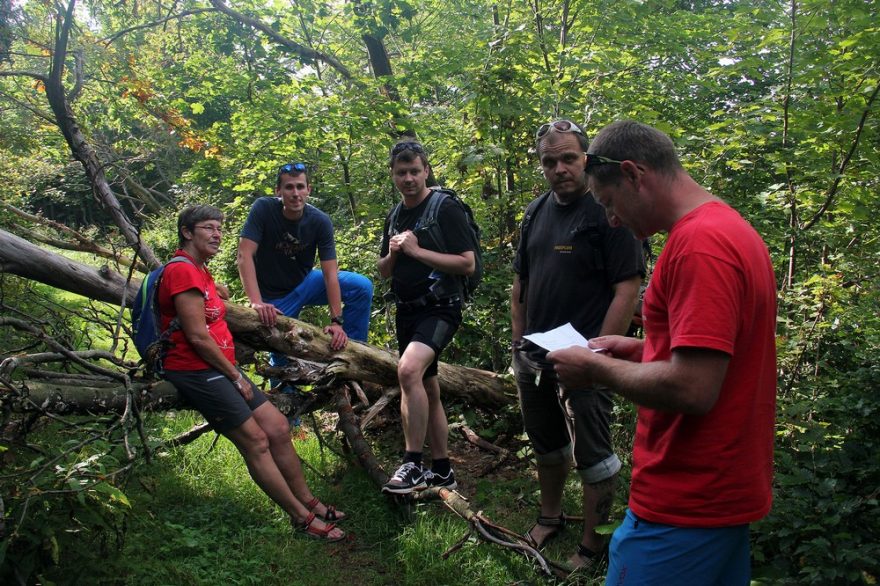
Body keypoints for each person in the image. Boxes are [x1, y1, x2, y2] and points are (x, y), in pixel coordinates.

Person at [547, 121, 777, 585]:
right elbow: (710, 358)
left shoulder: (699, 247)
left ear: (634, 174)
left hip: (687, 499)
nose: (611, 219)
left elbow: (694, 388)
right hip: (719, 496)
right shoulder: (726, 228)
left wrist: (596, 367)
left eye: (609, 203)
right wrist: (636, 349)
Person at [160, 204, 346, 543]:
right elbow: (198, 337)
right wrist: (235, 376)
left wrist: (219, 292)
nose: (217, 234)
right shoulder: (182, 272)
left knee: (276, 426)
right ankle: (301, 518)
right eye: (208, 228)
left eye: (219, 228)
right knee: (256, 440)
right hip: (197, 370)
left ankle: (310, 500)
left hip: (218, 368)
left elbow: (212, 302)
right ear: (187, 233)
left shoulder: (198, 270)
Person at [511, 120, 644, 570]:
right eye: (550, 161)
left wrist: (598, 354)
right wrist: (517, 340)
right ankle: (550, 517)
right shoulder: (535, 212)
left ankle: (592, 544)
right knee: (546, 445)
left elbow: (627, 287)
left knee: (594, 454)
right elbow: (521, 282)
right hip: (534, 354)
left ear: (585, 158)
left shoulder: (608, 211)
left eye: (569, 158)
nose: (560, 169)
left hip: (587, 358)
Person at [377, 140, 476, 494]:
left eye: (414, 171)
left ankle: (412, 464)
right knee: (428, 388)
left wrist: (418, 251)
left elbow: (468, 263)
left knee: (407, 370)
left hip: (441, 306)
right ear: (392, 175)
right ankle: (443, 469)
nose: (408, 179)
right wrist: (392, 254)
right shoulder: (394, 215)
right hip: (407, 310)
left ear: (426, 170)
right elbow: (384, 271)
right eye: (401, 173)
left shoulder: (445, 208)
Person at [237, 162, 373, 356]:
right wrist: (256, 302)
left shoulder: (319, 220)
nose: (295, 193)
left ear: (308, 189)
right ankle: (284, 386)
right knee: (283, 356)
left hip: (305, 282)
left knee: (361, 286)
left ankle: (355, 353)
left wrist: (336, 321)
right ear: (278, 191)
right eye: (289, 187)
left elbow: (330, 273)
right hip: (275, 299)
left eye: (300, 187)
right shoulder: (263, 209)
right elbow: (244, 255)